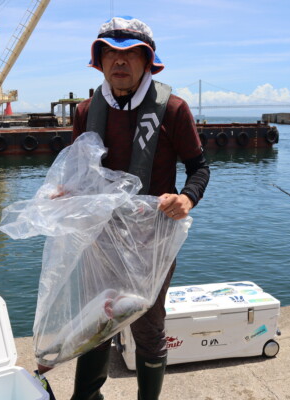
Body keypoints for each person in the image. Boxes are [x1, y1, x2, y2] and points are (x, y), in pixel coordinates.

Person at [63, 16, 210, 400]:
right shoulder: (84, 112)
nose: (120, 62)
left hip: (153, 240)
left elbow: (199, 168)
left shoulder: (174, 109)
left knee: (147, 325)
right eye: (110, 52)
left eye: (130, 54)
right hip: (100, 238)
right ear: (100, 61)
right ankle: (87, 397)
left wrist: (186, 198)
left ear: (148, 61)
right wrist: (65, 193)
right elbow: (79, 171)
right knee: (95, 323)